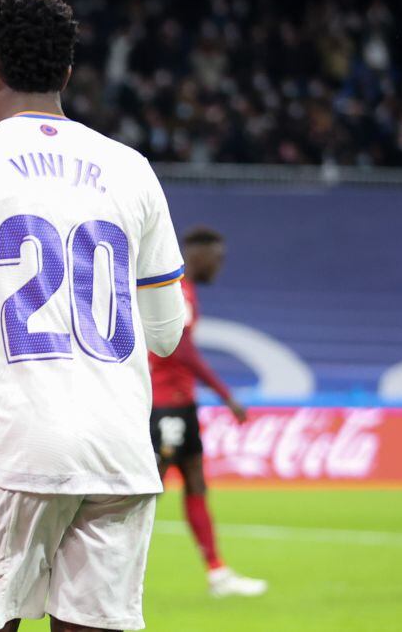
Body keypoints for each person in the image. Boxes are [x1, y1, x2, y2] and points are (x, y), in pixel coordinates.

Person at [0, 0, 188, 629]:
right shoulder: (133, 169)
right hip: (120, 453)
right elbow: (165, 334)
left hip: (13, 447)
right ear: (69, 74)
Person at [149, 226, 268, 598]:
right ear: (197, 255)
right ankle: (104, 572)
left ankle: (217, 573)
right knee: (146, 491)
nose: (221, 264)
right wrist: (226, 395)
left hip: (181, 403)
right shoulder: (180, 287)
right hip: (164, 403)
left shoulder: (187, 289)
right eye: (218, 257)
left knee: (195, 480)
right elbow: (181, 350)